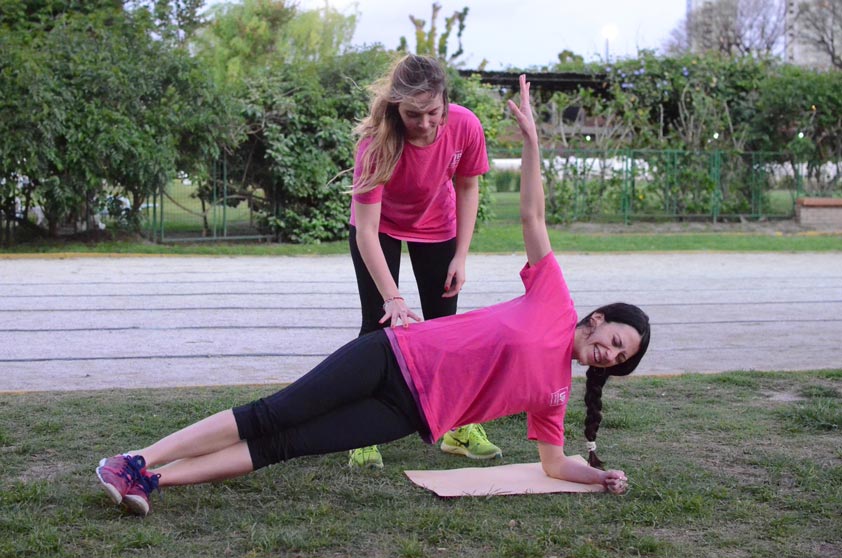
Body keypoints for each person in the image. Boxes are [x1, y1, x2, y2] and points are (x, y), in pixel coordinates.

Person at [96, 75, 650, 517]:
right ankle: (134, 459)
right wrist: (531, 143)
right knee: (274, 414)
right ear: (597, 320)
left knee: (285, 446)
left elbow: (553, 465)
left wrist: (597, 475)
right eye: (615, 341)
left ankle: (153, 479)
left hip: (405, 414)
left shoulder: (555, 393)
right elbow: (532, 214)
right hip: (395, 356)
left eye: (620, 359)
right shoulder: (554, 297)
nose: (610, 354)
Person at [347, 53, 499, 468]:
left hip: (439, 226)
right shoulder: (375, 144)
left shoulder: (465, 125)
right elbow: (365, 231)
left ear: (445, 102)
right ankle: (362, 436)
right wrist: (393, 299)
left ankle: (455, 425)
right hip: (379, 231)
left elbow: (468, 188)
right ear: (397, 106)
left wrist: (461, 256)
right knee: (375, 326)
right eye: (415, 114)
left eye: (433, 112)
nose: (426, 123)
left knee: (446, 328)